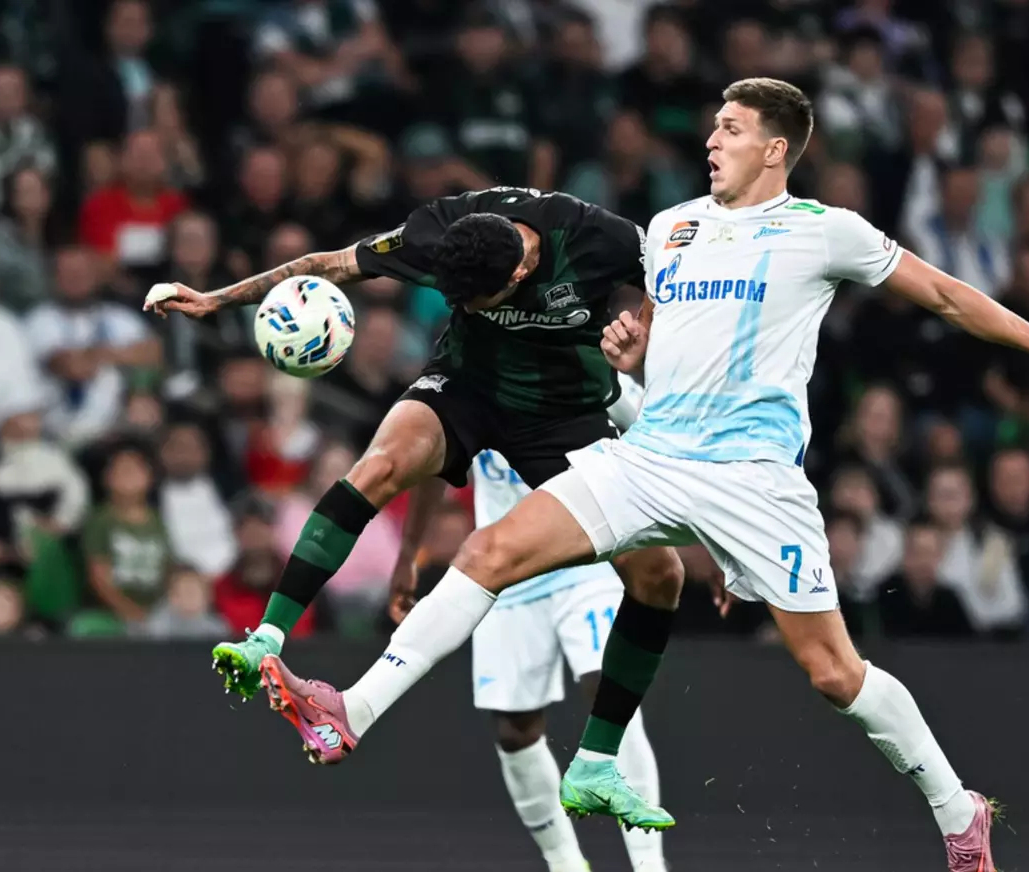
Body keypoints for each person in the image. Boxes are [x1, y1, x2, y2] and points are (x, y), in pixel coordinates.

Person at [247, 78, 1029, 872]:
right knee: (490, 550)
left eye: (730, 129)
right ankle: (354, 709)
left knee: (833, 674)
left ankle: (957, 812)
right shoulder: (671, 229)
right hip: (655, 455)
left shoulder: (826, 231)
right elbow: (667, 333)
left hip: (754, 480)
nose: (711, 140)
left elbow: (946, 297)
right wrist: (637, 349)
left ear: (775, 149)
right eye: (712, 126)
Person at [144, 187, 685, 705]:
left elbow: (674, 271)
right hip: (465, 387)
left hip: (563, 411)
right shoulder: (442, 228)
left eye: (476, 301)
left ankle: (598, 755)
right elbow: (332, 264)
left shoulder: (593, 234)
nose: (463, 307)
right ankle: (266, 637)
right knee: (379, 465)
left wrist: (644, 331)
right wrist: (216, 300)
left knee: (658, 572)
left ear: (518, 273)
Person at [467, 375, 689, 872]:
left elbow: (663, 440)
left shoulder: (586, 366)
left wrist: (702, 538)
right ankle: (567, 870)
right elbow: (434, 467)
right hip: (510, 569)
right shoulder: (470, 376)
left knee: (606, 689)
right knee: (514, 727)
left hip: (587, 554)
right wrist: (408, 557)